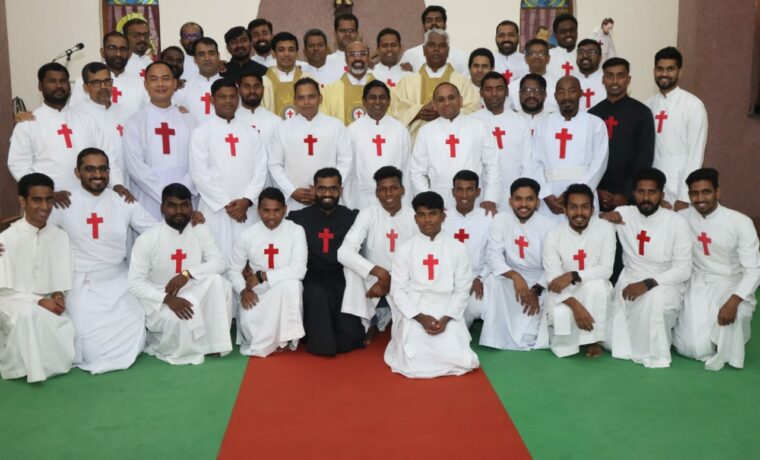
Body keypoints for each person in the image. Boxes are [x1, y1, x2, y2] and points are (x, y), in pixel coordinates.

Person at [48, 149, 154, 374]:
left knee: (134, 338)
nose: (97, 175)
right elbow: (43, 239)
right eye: (90, 169)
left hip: (119, 282)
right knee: (92, 350)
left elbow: (155, 232)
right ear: (77, 172)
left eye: (103, 169)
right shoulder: (64, 203)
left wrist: (191, 223)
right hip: (82, 284)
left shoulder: (122, 201)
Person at [128, 183, 233, 365]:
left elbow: (219, 262)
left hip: (190, 288)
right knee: (179, 320)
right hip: (159, 297)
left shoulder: (198, 229)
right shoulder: (147, 239)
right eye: (172, 206)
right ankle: (189, 345)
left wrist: (187, 274)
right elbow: (135, 283)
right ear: (162, 208)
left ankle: (214, 344)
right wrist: (167, 299)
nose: (179, 211)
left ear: (192, 207)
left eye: (184, 205)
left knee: (219, 282)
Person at [384, 190, 479, 378]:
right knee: (413, 356)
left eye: (432, 214)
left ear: (443, 216)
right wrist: (420, 318)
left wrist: (445, 319)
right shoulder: (405, 250)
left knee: (461, 357)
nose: (427, 220)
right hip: (416, 307)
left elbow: (462, 290)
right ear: (415, 218)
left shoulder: (458, 249)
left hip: (447, 307)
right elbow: (398, 291)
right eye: (421, 215)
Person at [603, 168, 692, 368]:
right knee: (611, 343)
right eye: (641, 192)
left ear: (661, 195)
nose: (646, 198)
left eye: (652, 192)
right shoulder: (624, 213)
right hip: (630, 277)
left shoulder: (677, 222)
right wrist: (605, 216)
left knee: (655, 305)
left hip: (665, 282)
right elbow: (595, 225)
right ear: (633, 193)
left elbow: (684, 269)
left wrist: (649, 283)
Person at [674, 168, 759, 371]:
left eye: (706, 192)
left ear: (717, 192)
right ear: (689, 195)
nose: (700, 199)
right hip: (697, 282)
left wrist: (733, 301)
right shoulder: (681, 218)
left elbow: (754, 270)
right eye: (694, 193)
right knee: (691, 348)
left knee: (734, 318)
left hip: (731, 283)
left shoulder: (740, 222)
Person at [8, 62, 122, 207]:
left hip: (90, 198)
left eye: (63, 81)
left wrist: (117, 184)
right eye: (52, 81)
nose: (59, 86)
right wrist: (47, 193)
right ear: (40, 86)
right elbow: (19, 164)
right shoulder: (28, 124)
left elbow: (107, 154)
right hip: (49, 203)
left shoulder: (86, 119)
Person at [0, 173, 75, 382]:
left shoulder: (60, 236)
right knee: (27, 313)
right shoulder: (6, 238)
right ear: (22, 201)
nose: (44, 206)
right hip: (10, 301)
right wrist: (39, 300)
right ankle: (21, 369)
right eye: (37, 200)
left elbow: (61, 280)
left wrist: (58, 295)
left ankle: (43, 365)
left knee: (62, 320)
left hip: (46, 300)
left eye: (49, 200)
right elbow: (4, 290)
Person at [287, 168, 365, 356]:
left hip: (342, 279)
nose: (327, 194)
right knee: (317, 298)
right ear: (314, 189)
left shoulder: (352, 217)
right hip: (311, 278)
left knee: (349, 337)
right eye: (322, 189)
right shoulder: (298, 218)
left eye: (333, 189)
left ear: (341, 190)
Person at [189, 78, 268, 262]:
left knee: (248, 260)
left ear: (238, 98)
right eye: (222, 97)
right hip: (216, 210)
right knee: (217, 260)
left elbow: (260, 170)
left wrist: (247, 201)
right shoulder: (201, 133)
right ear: (212, 100)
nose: (228, 101)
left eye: (232, 96)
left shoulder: (251, 132)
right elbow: (199, 174)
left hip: (246, 210)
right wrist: (228, 205)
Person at [338, 166, 418, 342]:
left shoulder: (414, 216)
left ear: (403, 190)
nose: (388, 194)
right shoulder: (368, 214)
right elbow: (344, 252)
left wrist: (392, 279)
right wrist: (381, 274)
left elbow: (420, 257)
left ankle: (391, 316)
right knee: (351, 268)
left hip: (405, 279)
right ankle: (369, 321)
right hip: (374, 277)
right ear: (376, 192)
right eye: (382, 189)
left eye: (394, 188)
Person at [227, 187, 307, 357]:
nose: (271, 216)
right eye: (266, 211)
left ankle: (285, 339)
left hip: (282, 289)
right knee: (253, 334)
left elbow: (299, 270)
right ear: (258, 210)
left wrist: (263, 276)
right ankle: (271, 339)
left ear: (285, 209)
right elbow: (233, 270)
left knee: (293, 284)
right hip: (257, 293)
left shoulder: (296, 231)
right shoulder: (247, 235)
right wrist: (243, 291)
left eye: (276, 210)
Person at [480, 178, 555, 350]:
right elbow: (493, 256)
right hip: (511, 278)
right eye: (518, 199)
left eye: (529, 199)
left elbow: (552, 266)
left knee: (528, 337)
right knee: (494, 281)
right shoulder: (500, 220)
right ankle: (495, 335)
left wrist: (536, 290)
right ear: (510, 201)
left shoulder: (549, 226)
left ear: (537, 202)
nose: (523, 204)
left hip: (539, 282)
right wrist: (515, 276)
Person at [541, 183, 615, 358]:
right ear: (565, 210)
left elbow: (606, 270)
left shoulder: (605, 229)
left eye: (585, 207)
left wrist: (573, 275)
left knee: (596, 286)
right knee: (563, 313)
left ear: (593, 209)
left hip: (591, 288)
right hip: (564, 292)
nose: (579, 213)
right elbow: (553, 280)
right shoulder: (554, 235)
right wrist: (575, 305)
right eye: (573, 207)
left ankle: (593, 340)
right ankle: (572, 341)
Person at [409, 82, 500, 213]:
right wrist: (429, 202)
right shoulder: (426, 131)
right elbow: (417, 172)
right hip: (438, 203)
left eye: (451, 97)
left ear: (460, 100)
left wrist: (490, 198)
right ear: (434, 105)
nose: (447, 103)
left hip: (474, 201)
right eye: (441, 100)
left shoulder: (479, 126)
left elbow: (492, 165)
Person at [528, 75, 608, 223]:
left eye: (572, 91)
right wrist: (545, 195)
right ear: (555, 96)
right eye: (561, 92)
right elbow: (534, 162)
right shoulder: (543, 124)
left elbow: (599, 164)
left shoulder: (595, 124)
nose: (566, 97)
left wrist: (576, 194)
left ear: (580, 93)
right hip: (551, 197)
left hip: (584, 194)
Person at [124, 61, 197, 219]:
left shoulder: (189, 120)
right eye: (154, 79)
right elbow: (135, 167)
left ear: (175, 83)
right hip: (150, 200)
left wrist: (182, 195)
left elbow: (197, 162)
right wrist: (167, 198)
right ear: (145, 84)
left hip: (186, 200)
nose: (160, 84)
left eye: (165, 78)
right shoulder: (135, 122)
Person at [268, 78, 351, 211]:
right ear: (295, 101)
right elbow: (274, 164)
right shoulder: (282, 129)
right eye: (301, 98)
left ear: (320, 98)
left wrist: (326, 190)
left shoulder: (336, 127)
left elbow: (345, 162)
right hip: (294, 201)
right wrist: (292, 191)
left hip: (328, 200)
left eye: (311, 97)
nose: (306, 102)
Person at [589, 57, 655, 214]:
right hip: (597, 194)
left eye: (620, 76)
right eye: (610, 76)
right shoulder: (592, 115)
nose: (615, 81)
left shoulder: (642, 113)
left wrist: (628, 193)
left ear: (628, 79)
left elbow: (644, 158)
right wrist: (596, 190)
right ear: (603, 79)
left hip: (629, 196)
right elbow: (587, 157)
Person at [646, 46, 708, 210]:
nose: (664, 74)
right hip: (653, 187)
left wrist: (685, 196)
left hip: (681, 184)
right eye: (660, 69)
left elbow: (696, 153)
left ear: (680, 72)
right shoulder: (647, 106)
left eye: (670, 69)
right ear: (654, 71)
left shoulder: (693, 105)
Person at [393, 29, 480, 139]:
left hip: (453, 142)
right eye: (431, 45)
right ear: (424, 50)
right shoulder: (407, 82)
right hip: (417, 142)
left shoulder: (462, 82)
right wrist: (418, 112)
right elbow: (395, 112)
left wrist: (444, 112)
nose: (436, 49)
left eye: (442, 46)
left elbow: (474, 111)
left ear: (448, 51)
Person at [344, 80, 411, 210]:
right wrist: (349, 205)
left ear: (389, 101)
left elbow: (407, 169)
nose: (378, 102)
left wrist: (406, 206)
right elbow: (348, 172)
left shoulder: (400, 130)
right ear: (364, 101)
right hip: (361, 200)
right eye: (372, 97)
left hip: (393, 199)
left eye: (382, 97)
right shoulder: (351, 131)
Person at [472, 71, 532, 210]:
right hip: (481, 194)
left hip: (514, 192)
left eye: (499, 89)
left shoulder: (520, 122)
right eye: (488, 89)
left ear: (506, 92)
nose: (494, 94)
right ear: (481, 92)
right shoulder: (472, 122)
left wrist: (523, 192)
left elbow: (527, 163)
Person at [441, 170, 493, 327]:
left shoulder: (488, 218)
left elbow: (494, 254)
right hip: (449, 280)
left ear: (478, 192)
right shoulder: (443, 218)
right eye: (460, 189)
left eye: (469, 189)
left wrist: (480, 278)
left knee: (476, 305)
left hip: (478, 277)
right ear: (453, 192)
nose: (464, 195)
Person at [73, 62, 133, 191]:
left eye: (107, 81)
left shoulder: (127, 113)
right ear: (85, 87)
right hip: (93, 184)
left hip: (126, 183)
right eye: (96, 82)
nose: (103, 87)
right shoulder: (77, 115)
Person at [70, 32, 148, 120]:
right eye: (112, 48)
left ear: (129, 54)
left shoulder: (141, 85)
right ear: (103, 52)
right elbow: (75, 115)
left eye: (123, 49)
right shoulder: (84, 81)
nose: (118, 54)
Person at [399, 5, 469, 75]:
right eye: (429, 21)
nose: (434, 23)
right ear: (423, 26)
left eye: (438, 20)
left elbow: (467, 81)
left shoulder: (460, 56)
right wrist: (407, 74)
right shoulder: (410, 55)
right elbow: (400, 79)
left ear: (445, 25)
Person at [321, 41, 375, 125]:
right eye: (352, 54)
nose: (358, 58)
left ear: (368, 58)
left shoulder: (384, 90)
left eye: (362, 54)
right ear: (345, 59)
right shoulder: (329, 91)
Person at [262, 32, 312, 119]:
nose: (286, 54)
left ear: (297, 53)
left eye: (291, 50)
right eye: (281, 50)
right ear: (274, 53)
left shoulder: (308, 80)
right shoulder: (264, 82)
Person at [174, 37, 222, 125]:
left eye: (211, 53)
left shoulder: (232, 87)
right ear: (195, 59)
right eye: (201, 54)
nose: (207, 58)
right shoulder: (183, 89)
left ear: (218, 56)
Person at [508, 39, 557, 114]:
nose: (537, 57)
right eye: (532, 53)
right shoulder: (514, 85)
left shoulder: (557, 85)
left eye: (541, 53)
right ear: (526, 58)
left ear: (548, 58)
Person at [234, 70, 282, 144]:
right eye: (247, 87)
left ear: (263, 89)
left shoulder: (275, 121)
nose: (252, 91)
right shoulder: (232, 120)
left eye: (256, 86)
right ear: (238, 90)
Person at [324, 13, 360, 78]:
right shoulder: (325, 62)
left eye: (351, 30)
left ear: (357, 34)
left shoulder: (365, 63)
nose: (347, 34)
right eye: (342, 30)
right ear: (335, 34)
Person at [494, 20, 529, 86]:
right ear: (496, 38)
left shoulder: (528, 62)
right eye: (501, 35)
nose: (506, 39)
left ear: (518, 38)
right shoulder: (488, 61)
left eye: (511, 35)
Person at [547, 14, 580, 80]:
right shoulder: (548, 56)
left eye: (572, 30)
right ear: (555, 35)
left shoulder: (584, 56)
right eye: (563, 32)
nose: (568, 34)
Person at [575, 39, 605, 111]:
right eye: (580, 52)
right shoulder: (570, 80)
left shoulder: (607, 80)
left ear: (600, 58)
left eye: (591, 52)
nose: (585, 55)